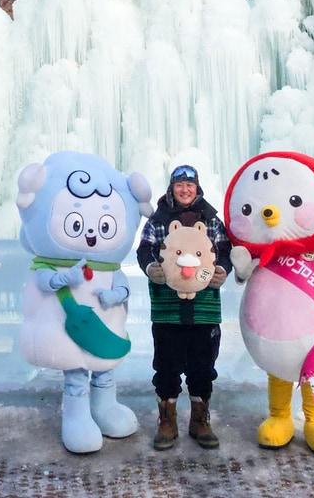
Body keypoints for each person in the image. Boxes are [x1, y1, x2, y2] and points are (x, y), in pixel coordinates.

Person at [135, 163, 233, 450]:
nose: (185, 189)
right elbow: (145, 249)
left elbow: (224, 251)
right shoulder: (159, 218)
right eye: (180, 185)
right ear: (172, 188)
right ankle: (167, 420)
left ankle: (200, 419)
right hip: (167, 307)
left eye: (190, 184)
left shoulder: (211, 219)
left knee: (202, 364)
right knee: (166, 364)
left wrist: (223, 270)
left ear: (197, 187)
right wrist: (151, 266)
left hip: (204, 307)